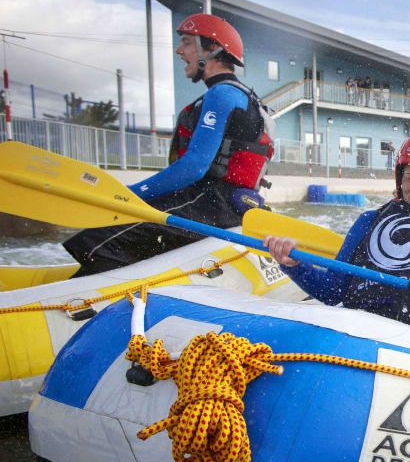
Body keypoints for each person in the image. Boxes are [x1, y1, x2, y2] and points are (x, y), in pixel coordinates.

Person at [63, 14, 273, 276]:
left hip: (211, 204)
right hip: (222, 204)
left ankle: (92, 304)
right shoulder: (239, 94)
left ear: (211, 48)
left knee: (100, 237)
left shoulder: (222, 94)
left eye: (186, 42)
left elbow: (194, 167)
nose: (179, 50)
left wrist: (126, 196)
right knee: (124, 232)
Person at [264, 131, 410, 343]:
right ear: (399, 178)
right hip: (365, 332)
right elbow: (332, 292)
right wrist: (294, 264)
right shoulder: (369, 221)